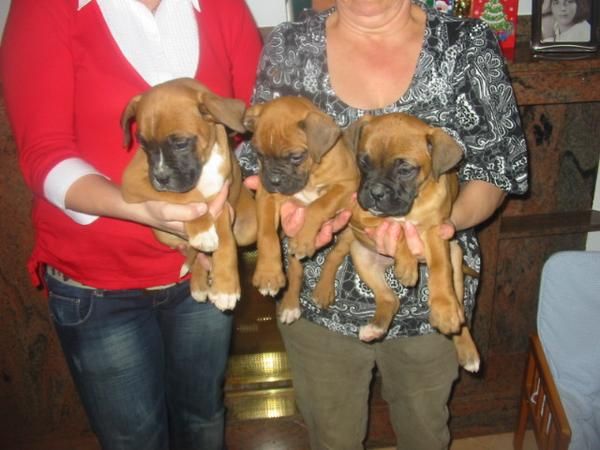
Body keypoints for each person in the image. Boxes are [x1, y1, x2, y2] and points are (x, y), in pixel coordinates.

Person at [238, 0, 528, 449]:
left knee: (424, 434)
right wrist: (286, 210)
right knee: (331, 437)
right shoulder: (290, 45)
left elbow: (498, 168)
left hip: (430, 295)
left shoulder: (466, 43)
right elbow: (262, 162)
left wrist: (442, 223)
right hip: (320, 297)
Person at [0, 0, 262, 449]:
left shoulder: (223, 7)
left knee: (203, 420)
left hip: (205, 264)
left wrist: (248, 191)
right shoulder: (46, 9)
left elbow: (254, 120)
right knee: (132, 439)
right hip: (99, 280)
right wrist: (144, 209)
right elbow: (43, 154)